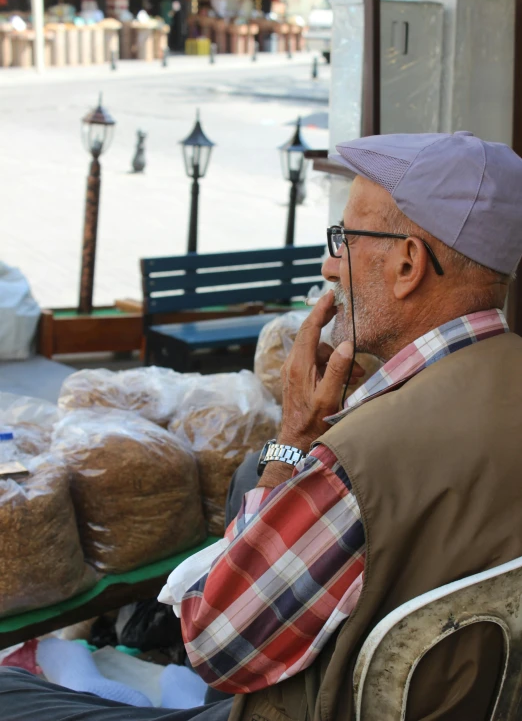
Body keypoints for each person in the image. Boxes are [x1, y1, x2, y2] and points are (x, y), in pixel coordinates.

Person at [2, 130, 522, 721]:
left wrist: (294, 442)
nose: (328, 265)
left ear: (407, 263)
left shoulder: (361, 461)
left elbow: (216, 648)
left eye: (343, 240)